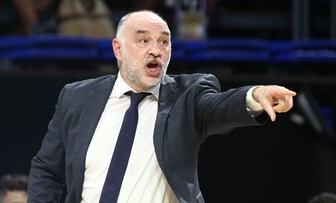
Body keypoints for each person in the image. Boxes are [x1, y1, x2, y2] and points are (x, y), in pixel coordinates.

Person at [27, 10, 296, 203]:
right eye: (143, 40)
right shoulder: (77, 97)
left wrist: (252, 95)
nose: (155, 50)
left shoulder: (187, 95)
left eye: (164, 41)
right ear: (118, 49)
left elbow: (216, 106)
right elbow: (47, 169)